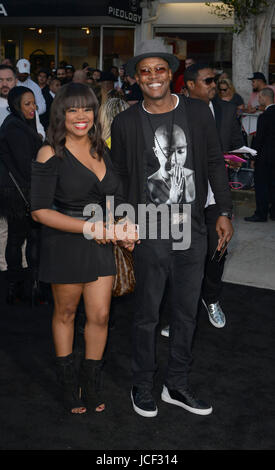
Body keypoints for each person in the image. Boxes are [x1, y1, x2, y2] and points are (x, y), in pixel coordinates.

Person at [111, 39, 233, 417]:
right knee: (147, 313)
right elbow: (119, 176)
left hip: (192, 226)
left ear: (171, 73)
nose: (153, 77)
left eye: (159, 69)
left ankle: (176, 385)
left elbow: (214, 162)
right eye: (145, 71)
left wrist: (224, 211)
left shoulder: (198, 113)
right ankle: (142, 384)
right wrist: (122, 222)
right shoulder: (126, 121)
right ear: (136, 78)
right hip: (149, 226)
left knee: (185, 312)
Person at [30, 82, 129, 414]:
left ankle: (92, 380)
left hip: (101, 243)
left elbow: (115, 198)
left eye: (86, 108)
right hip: (66, 243)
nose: (81, 116)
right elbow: (40, 211)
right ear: (61, 113)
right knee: (66, 313)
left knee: (100, 316)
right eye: (72, 109)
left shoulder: (104, 149)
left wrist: (122, 226)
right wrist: (92, 227)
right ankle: (68, 383)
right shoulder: (50, 152)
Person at [161, 63, 243, 334]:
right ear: (190, 86)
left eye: (215, 80)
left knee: (217, 252)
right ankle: (179, 314)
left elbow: (233, 142)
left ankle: (211, 298)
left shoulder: (227, 110)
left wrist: (234, 160)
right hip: (183, 197)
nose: (214, 85)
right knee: (181, 257)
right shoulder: (174, 111)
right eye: (208, 81)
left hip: (215, 198)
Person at [0, 86, 43, 304]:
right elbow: (26, 166)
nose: (33, 107)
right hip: (19, 194)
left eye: (34, 103)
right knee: (22, 239)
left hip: (19, 192)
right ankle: (22, 287)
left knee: (22, 239)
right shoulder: (15, 128)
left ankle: (21, 287)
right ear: (17, 105)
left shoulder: (17, 124)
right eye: (27, 103)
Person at [244, 87, 275, 222]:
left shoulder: (264, 116)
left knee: (261, 186)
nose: (258, 99)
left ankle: (261, 213)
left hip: (265, 157)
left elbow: (259, 139)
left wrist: (253, 157)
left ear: (264, 98)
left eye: (260, 97)